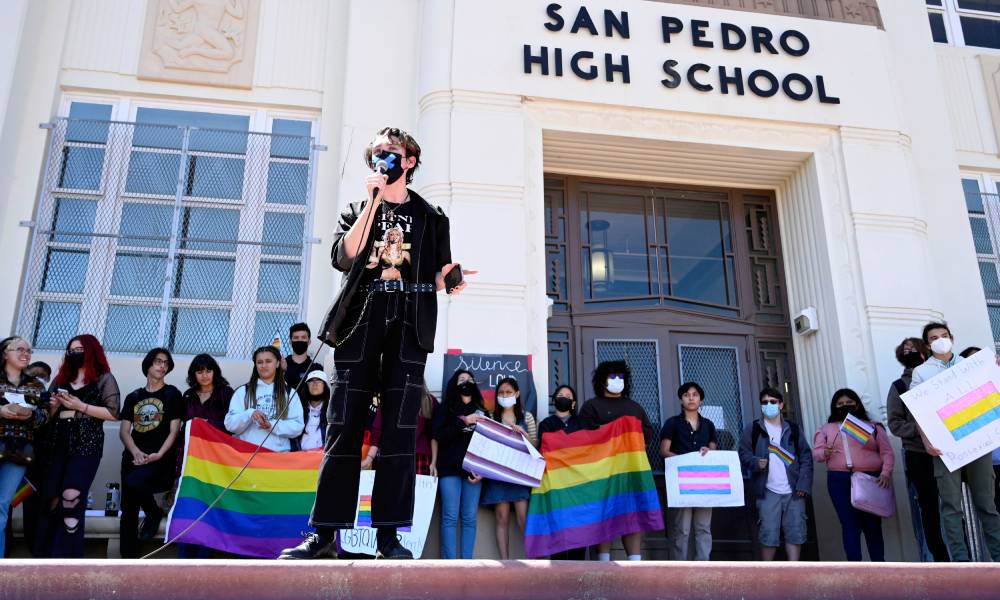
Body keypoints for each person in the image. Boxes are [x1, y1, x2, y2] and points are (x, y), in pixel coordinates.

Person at [282, 126, 470, 561]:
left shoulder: (431, 217)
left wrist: (452, 280)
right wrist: (372, 203)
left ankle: (388, 535)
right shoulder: (356, 208)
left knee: (400, 432)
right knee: (343, 427)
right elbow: (345, 257)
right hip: (361, 321)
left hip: (408, 324)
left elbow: (439, 272)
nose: (383, 157)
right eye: (377, 152)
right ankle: (325, 534)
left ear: (409, 161)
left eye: (392, 151)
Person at [910, 322, 1000, 561]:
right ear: (928, 344)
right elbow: (918, 411)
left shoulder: (970, 365)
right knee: (951, 508)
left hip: (977, 445)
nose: (940, 339)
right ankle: (961, 562)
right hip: (945, 449)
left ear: (952, 337)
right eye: (934, 337)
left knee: (987, 505)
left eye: (944, 335)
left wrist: (995, 368)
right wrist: (927, 441)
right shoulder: (922, 372)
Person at [36, 334, 120, 558]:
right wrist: (53, 406)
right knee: (51, 497)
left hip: (87, 443)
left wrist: (80, 405)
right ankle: (45, 554)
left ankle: (68, 556)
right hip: (57, 440)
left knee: (71, 495)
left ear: (91, 350)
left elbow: (113, 413)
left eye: (80, 349)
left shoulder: (104, 378)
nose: (75, 353)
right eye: (71, 350)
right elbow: (45, 416)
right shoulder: (61, 378)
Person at [579, 360, 655, 561]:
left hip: (631, 472)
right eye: (612, 376)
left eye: (620, 377)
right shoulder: (591, 406)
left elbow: (648, 434)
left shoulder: (635, 407)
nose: (616, 380)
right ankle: (603, 562)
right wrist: (614, 431)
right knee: (604, 514)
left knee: (632, 515)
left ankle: (635, 562)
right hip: (601, 472)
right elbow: (583, 435)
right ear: (602, 381)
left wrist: (629, 433)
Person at [885, 337, 949, 562]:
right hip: (919, 455)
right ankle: (939, 561)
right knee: (928, 510)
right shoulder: (899, 386)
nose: (909, 352)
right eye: (905, 350)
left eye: (913, 348)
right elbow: (895, 424)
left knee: (954, 508)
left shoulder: (942, 378)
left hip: (949, 454)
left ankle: (964, 557)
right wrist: (924, 429)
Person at [813, 388, 893, 561]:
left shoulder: (873, 427)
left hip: (870, 479)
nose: (845, 406)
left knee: (872, 525)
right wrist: (825, 453)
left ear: (857, 404)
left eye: (849, 402)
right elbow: (817, 454)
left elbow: (887, 452)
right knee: (849, 525)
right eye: (840, 404)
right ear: (834, 407)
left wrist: (885, 473)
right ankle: (855, 568)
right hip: (839, 481)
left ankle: (879, 567)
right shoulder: (826, 429)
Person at [118, 348, 183, 559]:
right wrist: (135, 452)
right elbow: (124, 431)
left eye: (166, 363)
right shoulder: (133, 396)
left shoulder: (172, 393)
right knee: (128, 508)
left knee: (134, 483)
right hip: (133, 457)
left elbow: (174, 430)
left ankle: (153, 512)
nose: (162, 366)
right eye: (158, 361)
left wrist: (159, 454)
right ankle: (128, 560)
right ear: (148, 365)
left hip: (159, 458)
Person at [737, 387, 812, 561]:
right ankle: (766, 574)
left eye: (773, 402)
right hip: (767, 490)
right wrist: (755, 462)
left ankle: (794, 571)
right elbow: (743, 453)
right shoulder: (753, 429)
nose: (769, 405)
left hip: (793, 491)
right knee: (768, 534)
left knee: (795, 531)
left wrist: (803, 485)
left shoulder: (793, 429)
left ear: (781, 405)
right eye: (765, 402)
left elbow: (806, 458)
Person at [175, 353, 232, 559]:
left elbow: (232, 427)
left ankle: (205, 563)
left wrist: (207, 425)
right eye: (200, 371)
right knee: (189, 509)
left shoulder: (226, 393)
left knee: (210, 512)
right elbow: (182, 429)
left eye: (208, 370)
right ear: (194, 374)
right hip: (190, 462)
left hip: (216, 462)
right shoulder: (188, 396)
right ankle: (184, 563)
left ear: (214, 372)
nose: (205, 375)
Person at [0, 337, 48, 558]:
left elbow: (43, 418)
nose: (26, 353)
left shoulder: (35, 386)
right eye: (19, 349)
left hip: (19, 451)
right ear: (4, 353)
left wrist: (31, 414)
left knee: (2, 506)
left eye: (29, 350)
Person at [480, 377, 537, 559]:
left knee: (523, 518)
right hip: (498, 474)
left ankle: (533, 558)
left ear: (517, 394)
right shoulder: (490, 416)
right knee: (501, 517)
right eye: (501, 393)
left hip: (519, 474)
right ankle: (505, 562)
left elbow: (535, 446)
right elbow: (484, 444)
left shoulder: (526, 416)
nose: (504, 396)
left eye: (508, 392)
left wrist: (524, 435)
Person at [660, 382, 718, 561]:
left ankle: (704, 566)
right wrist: (683, 461)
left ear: (701, 400)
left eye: (695, 395)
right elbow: (663, 451)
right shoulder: (672, 423)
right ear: (681, 400)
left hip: (704, 482)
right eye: (687, 395)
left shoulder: (709, 424)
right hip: (681, 481)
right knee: (682, 529)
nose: (691, 398)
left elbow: (714, 450)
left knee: (703, 527)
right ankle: (679, 569)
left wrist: (708, 452)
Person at [433, 370, 487, 559]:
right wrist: (462, 421)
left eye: (469, 380)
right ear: (453, 385)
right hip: (449, 469)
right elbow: (438, 435)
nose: (466, 382)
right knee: (449, 517)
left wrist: (483, 471)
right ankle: (449, 564)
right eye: (461, 380)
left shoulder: (482, 411)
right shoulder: (445, 409)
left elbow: (488, 445)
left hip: (474, 472)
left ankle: (467, 563)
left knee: (470, 519)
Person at [225, 346, 304, 452]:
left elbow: (298, 427)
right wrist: (250, 414)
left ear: (277, 363)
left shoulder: (290, 393)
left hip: (277, 457)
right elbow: (230, 425)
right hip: (245, 456)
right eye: (259, 362)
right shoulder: (243, 391)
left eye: (268, 361)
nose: (264, 365)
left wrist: (272, 425)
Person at [538, 385, 585, 560]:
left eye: (567, 395)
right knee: (556, 523)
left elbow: (587, 448)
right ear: (554, 400)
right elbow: (545, 449)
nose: (563, 397)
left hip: (577, 483)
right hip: (555, 483)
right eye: (560, 394)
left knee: (578, 524)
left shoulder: (582, 423)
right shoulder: (546, 424)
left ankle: (578, 567)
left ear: (573, 403)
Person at [295, 370, 330, 451]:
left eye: (318, 380)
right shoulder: (298, 410)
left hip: (323, 459)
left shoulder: (333, 412)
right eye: (311, 381)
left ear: (325, 385)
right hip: (299, 458)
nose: (315, 384)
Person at [284, 323, 319, 391]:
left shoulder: (316, 368)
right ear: (290, 341)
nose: (299, 340)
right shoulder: (281, 366)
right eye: (296, 338)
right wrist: (283, 371)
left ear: (309, 341)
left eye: (303, 337)